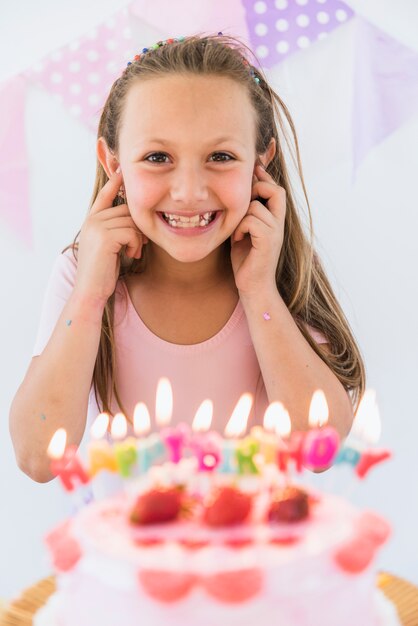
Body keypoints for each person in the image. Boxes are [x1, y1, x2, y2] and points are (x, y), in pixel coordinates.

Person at [9, 33, 364, 483]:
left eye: (220, 156)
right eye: (158, 157)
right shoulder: (82, 277)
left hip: (258, 551)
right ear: (112, 160)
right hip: (124, 551)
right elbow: (38, 457)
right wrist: (90, 295)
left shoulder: (278, 266)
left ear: (262, 159)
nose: (189, 192)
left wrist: (259, 292)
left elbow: (321, 447)